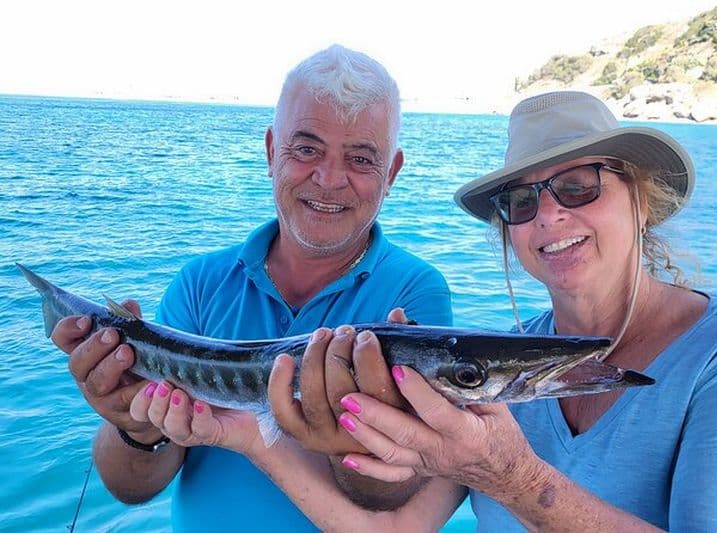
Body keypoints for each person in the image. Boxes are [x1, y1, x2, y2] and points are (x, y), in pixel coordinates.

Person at [138, 90, 717, 531]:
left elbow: (506, 474)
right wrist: (249, 434)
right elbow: (389, 527)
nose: (551, 214)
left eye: (579, 185)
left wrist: (511, 476)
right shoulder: (490, 370)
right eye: (522, 200)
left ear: (641, 197)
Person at [50, 44, 452, 531]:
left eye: (361, 159)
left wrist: (358, 434)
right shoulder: (200, 283)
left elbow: (390, 495)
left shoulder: (415, 292)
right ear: (269, 153)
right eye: (305, 149)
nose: (328, 179)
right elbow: (131, 487)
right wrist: (136, 427)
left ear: (391, 174)